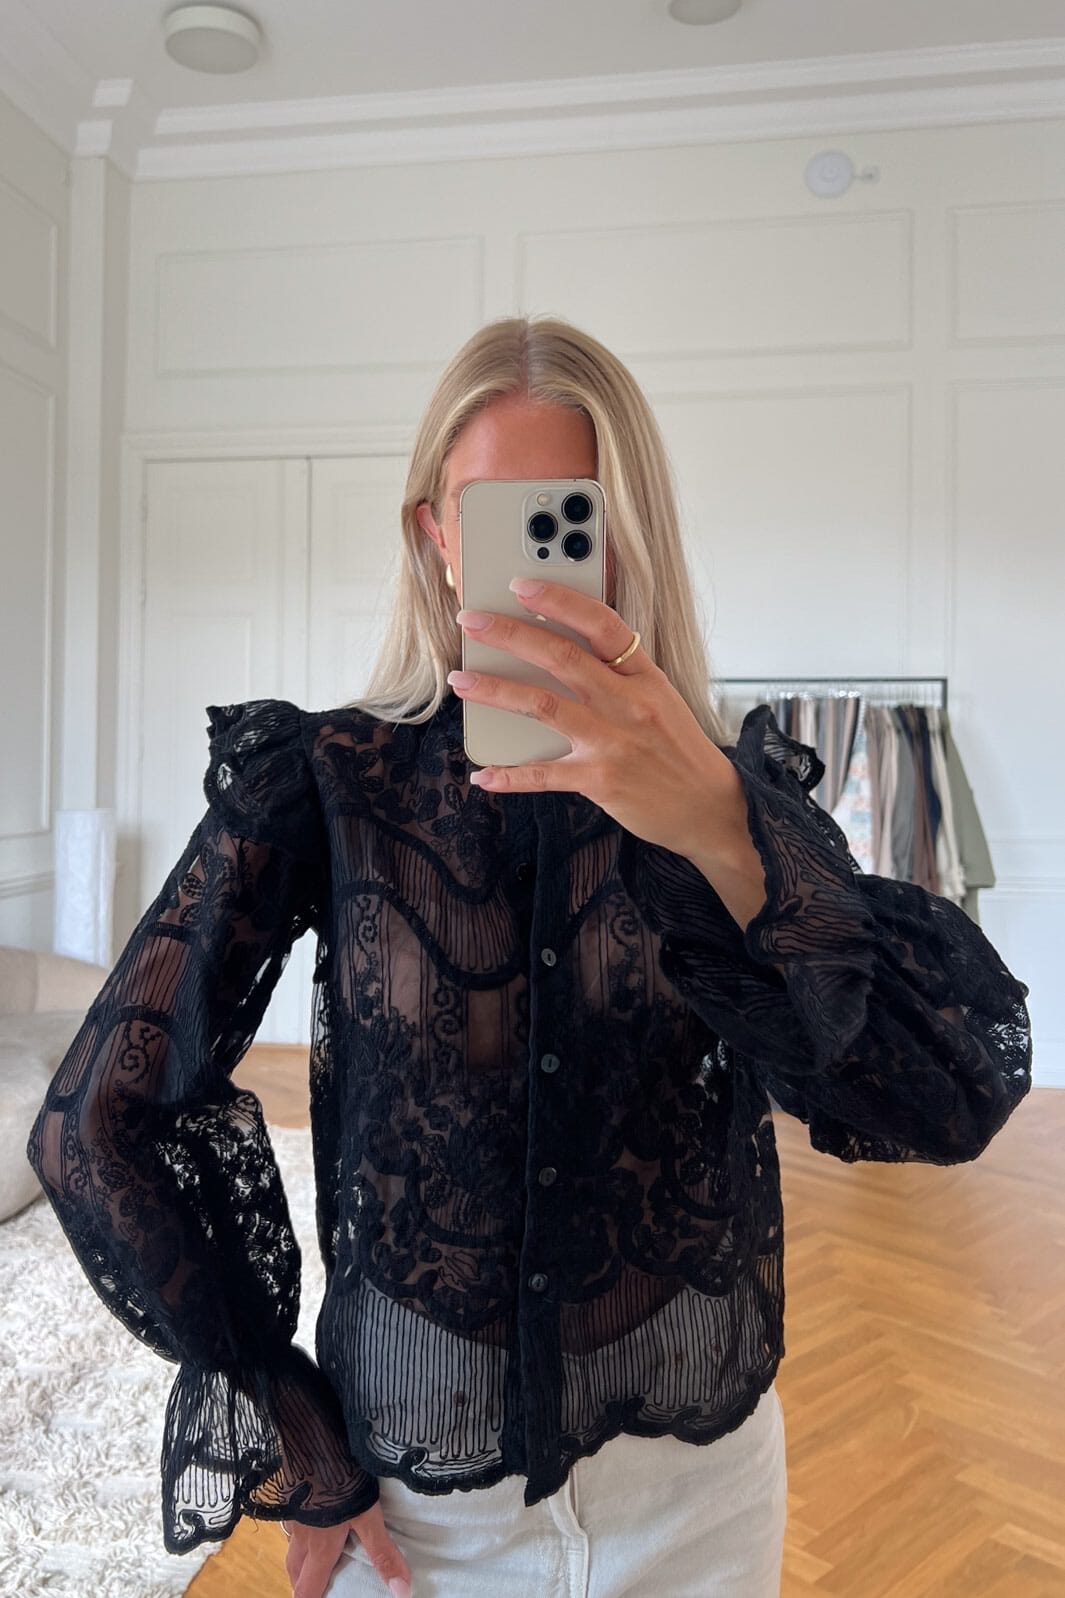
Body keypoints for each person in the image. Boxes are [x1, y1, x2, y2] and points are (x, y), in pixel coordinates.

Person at [26, 316, 1033, 1598]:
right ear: (436, 538)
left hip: (698, 1504)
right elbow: (94, 1120)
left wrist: (720, 824)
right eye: (495, 515)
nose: (536, 557)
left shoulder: (732, 799)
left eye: (571, 514)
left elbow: (947, 1090)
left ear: (630, 534)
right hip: (418, 1524)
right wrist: (292, 1422)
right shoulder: (327, 784)